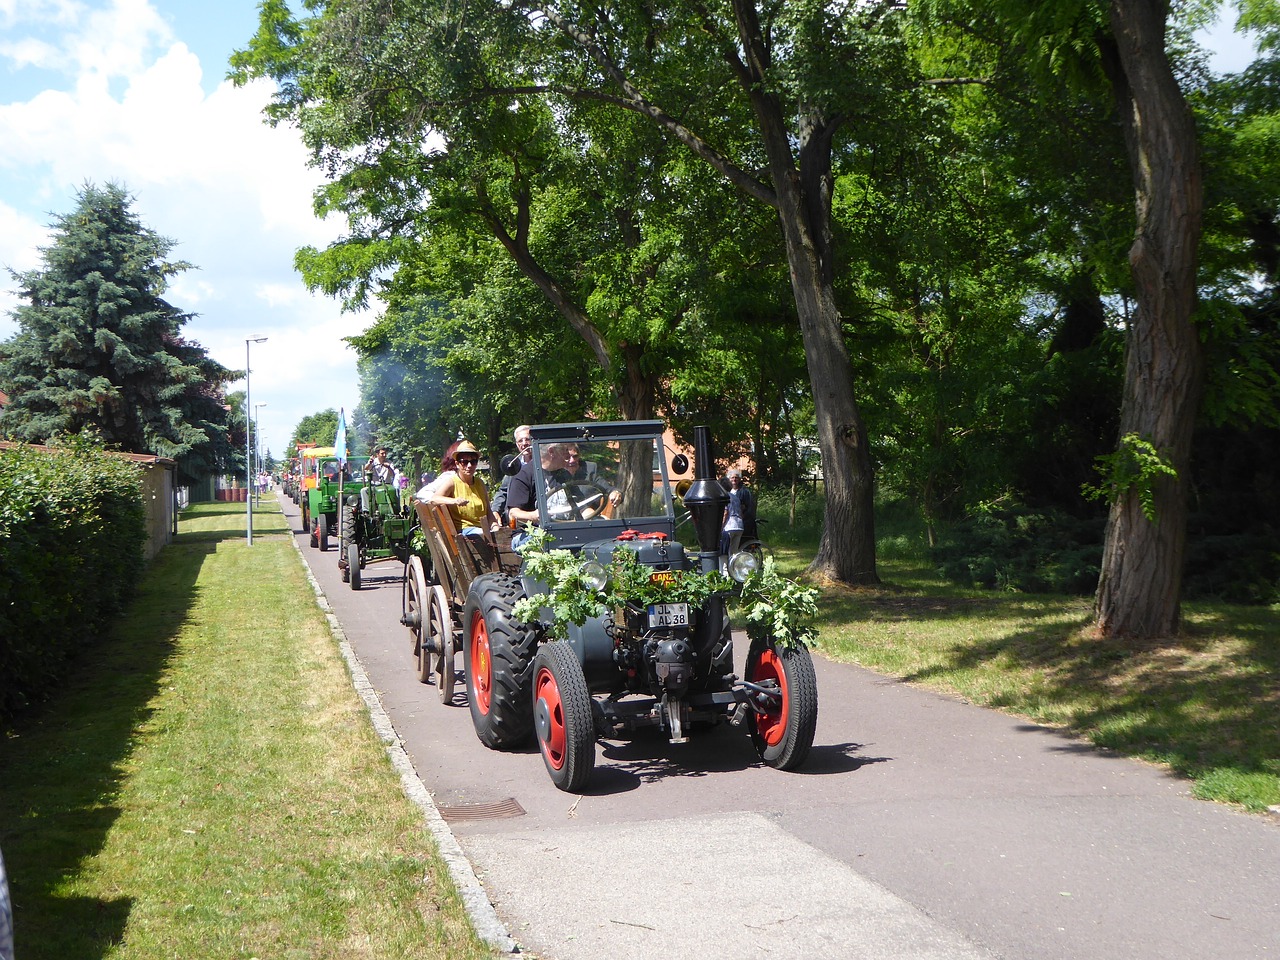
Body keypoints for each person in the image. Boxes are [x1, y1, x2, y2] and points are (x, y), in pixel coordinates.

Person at [419, 439, 501, 537]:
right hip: (465, 533)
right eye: (464, 462)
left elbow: (488, 512)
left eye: (473, 461)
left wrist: (495, 526)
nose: (469, 466)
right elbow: (434, 499)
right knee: (482, 534)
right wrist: (454, 501)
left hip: (483, 530)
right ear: (457, 464)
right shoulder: (452, 482)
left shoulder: (480, 483)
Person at [506, 441, 571, 547]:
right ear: (551, 452)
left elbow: (580, 505)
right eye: (564, 450)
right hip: (529, 534)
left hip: (563, 530)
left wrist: (597, 517)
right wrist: (533, 515)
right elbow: (513, 514)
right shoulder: (524, 475)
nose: (568, 454)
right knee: (549, 539)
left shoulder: (564, 474)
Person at [564, 442, 622, 516]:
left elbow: (607, 488)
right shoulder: (555, 473)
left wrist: (616, 493)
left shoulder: (589, 469)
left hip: (590, 519)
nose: (572, 460)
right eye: (567, 457)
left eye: (575, 456)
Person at [492, 424, 533, 524]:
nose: (524, 444)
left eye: (527, 439)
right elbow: (503, 491)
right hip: (517, 520)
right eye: (520, 441)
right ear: (516, 444)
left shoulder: (544, 463)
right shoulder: (513, 465)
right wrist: (495, 511)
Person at [720, 469, 757, 557]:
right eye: (732, 477)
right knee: (734, 552)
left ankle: (725, 569)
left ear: (739, 479)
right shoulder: (733, 496)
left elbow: (747, 507)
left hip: (732, 524)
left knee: (726, 550)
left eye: (736, 477)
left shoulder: (743, 492)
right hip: (738, 524)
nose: (734, 479)